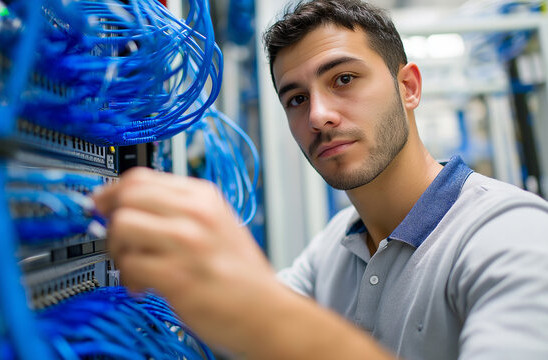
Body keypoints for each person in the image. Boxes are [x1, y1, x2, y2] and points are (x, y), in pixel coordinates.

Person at [92, 0, 548, 358]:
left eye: (344, 79)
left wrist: (268, 314)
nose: (318, 115)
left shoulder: (513, 235)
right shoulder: (337, 246)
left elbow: (267, 318)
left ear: (408, 87)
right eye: (295, 99)